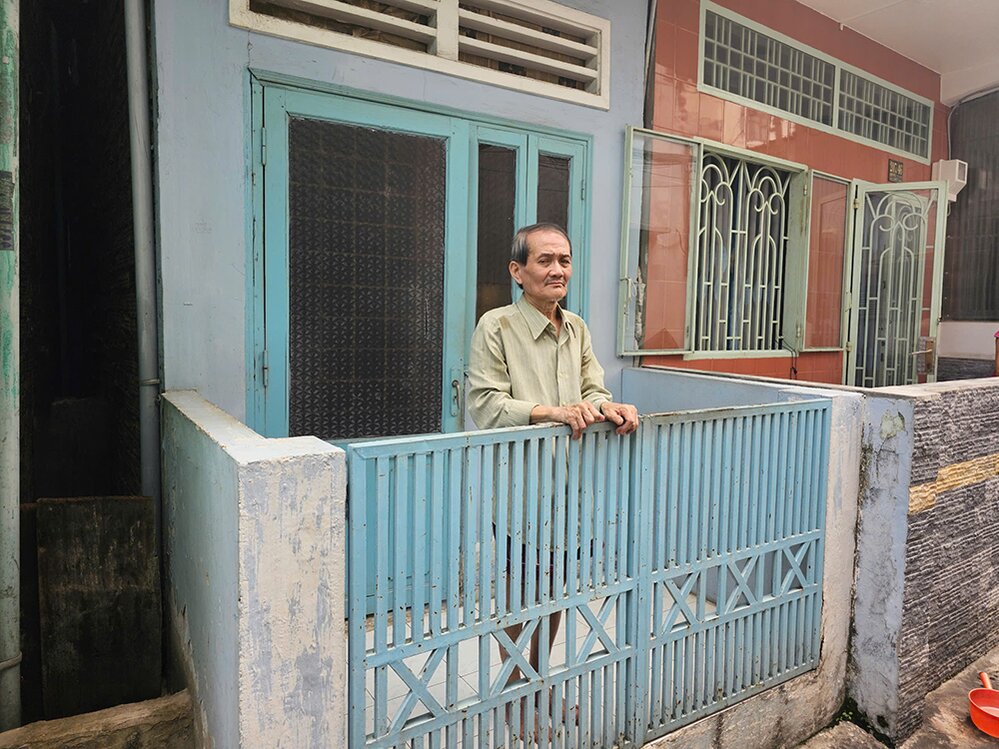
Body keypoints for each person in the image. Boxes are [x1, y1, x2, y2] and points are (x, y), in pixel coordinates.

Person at [467, 222, 638, 719]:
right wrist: (552, 412)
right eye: (544, 260)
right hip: (522, 491)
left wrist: (609, 407)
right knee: (522, 596)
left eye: (564, 260)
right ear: (517, 271)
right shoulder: (496, 327)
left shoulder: (577, 328)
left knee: (557, 592)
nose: (557, 270)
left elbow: (593, 389)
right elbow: (486, 404)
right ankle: (513, 692)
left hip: (573, 491)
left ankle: (538, 683)